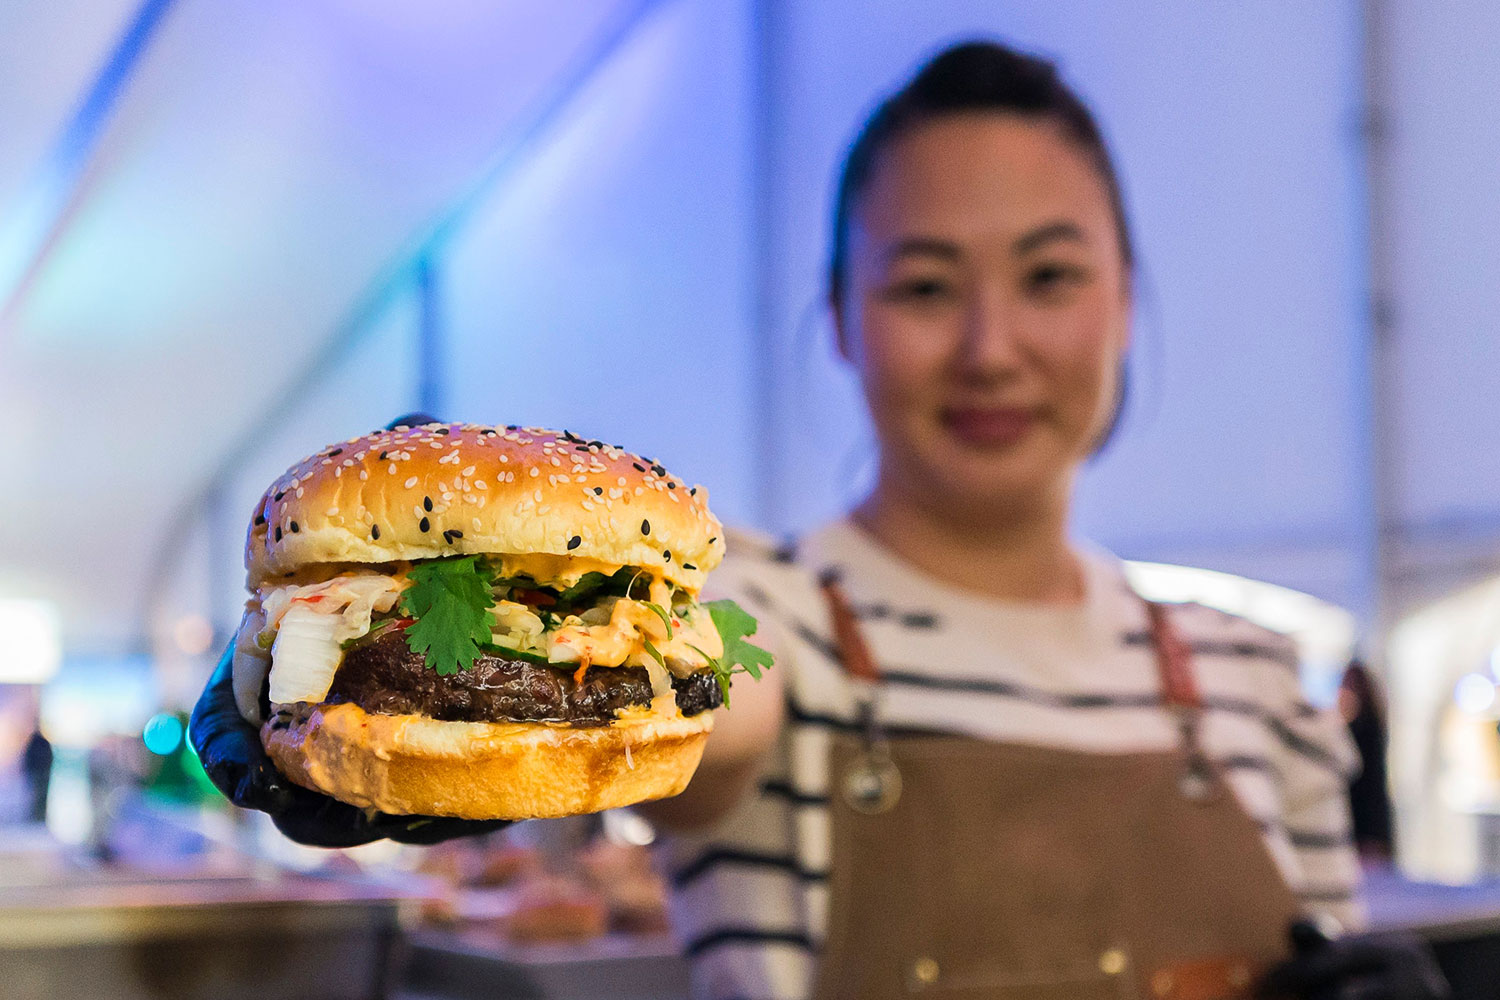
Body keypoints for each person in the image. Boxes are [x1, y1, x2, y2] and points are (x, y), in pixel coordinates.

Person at [638, 41, 1447, 1000]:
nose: (992, 348)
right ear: (845, 322)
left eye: (1050, 277)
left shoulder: (1257, 682)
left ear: (1126, 303)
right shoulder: (765, 607)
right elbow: (699, 689)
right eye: (925, 287)